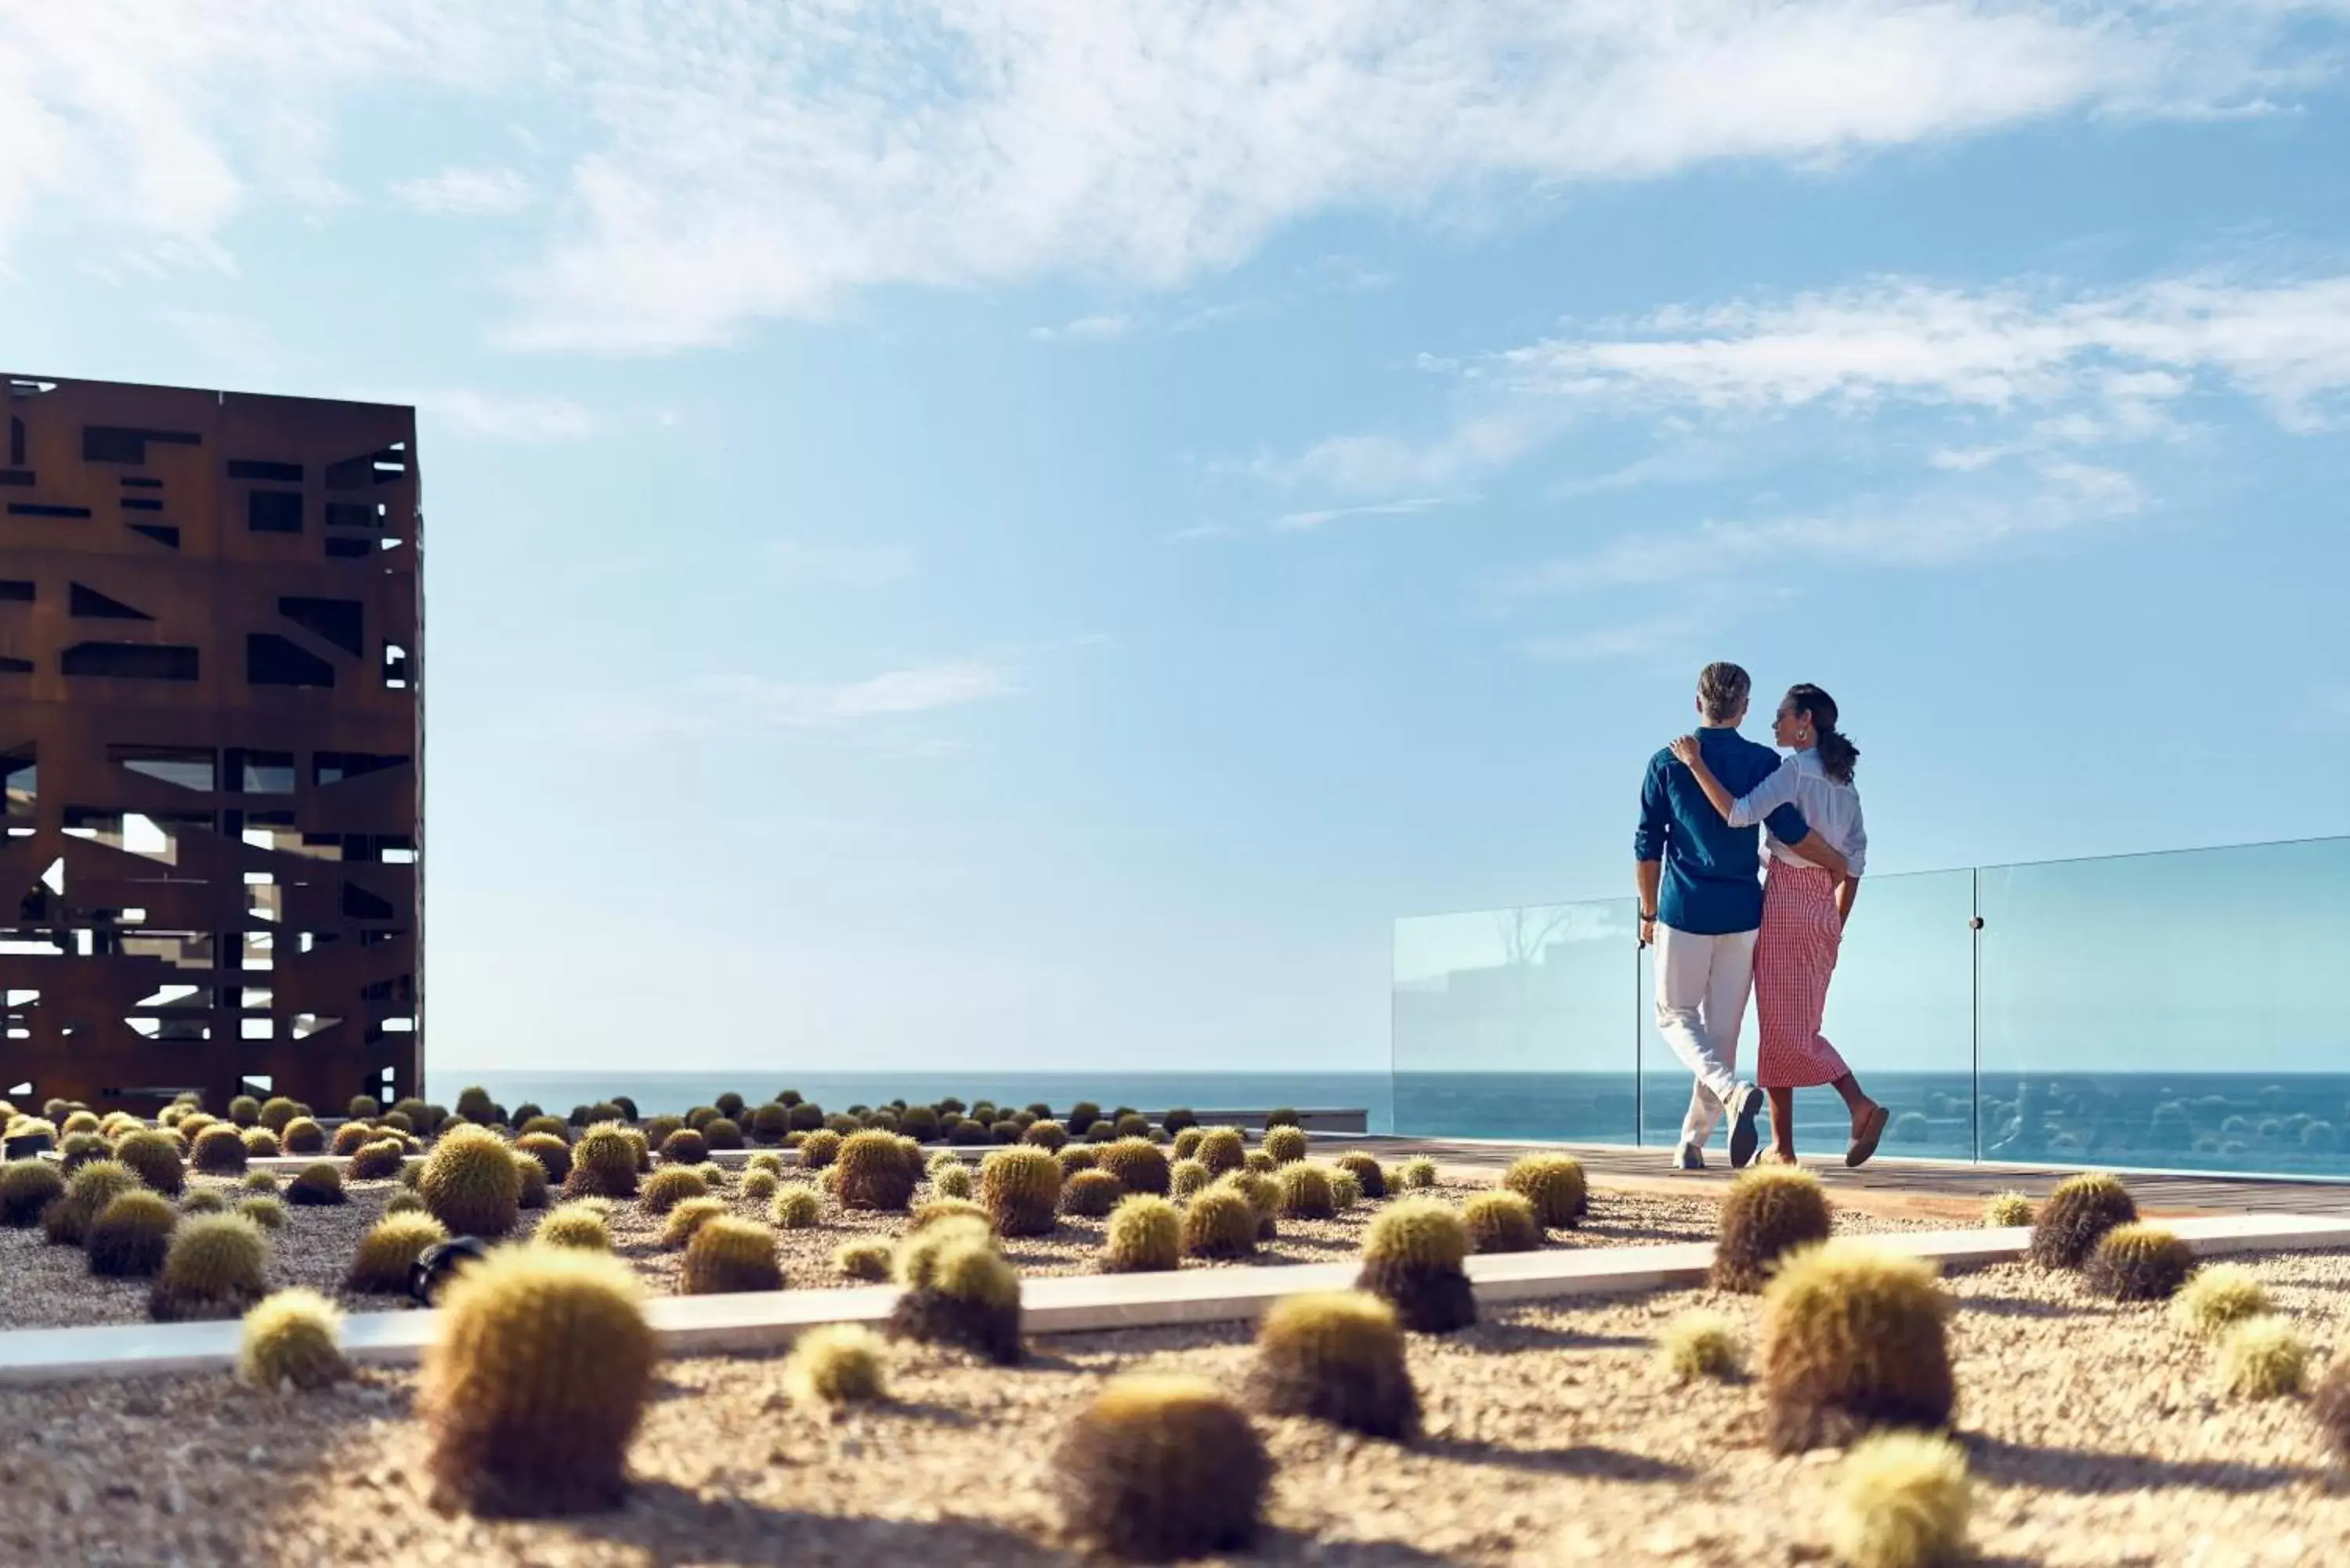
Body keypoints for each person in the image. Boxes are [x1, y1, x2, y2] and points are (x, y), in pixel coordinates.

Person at [1636, 663, 1850, 1172]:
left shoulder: (1667, 762)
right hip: (1743, 915)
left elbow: (1648, 846)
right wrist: (1837, 863)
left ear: (1697, 703)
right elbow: (1791, 828)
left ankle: (1732, 1095)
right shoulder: (1761, 761)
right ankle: (1692, 1142)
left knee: (1674, 1016)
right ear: (1745, 708)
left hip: (1684, 911)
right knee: (1723, 1036)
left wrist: (1647, 912)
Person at [1669, 682, 1886, 1167]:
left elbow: (1738, 813)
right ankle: (1783, 1147)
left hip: (1786, 899)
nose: (1774, 724)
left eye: (1782, 716)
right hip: (1824, 909)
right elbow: (1854, 866)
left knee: (1784, 1028)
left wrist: (1695, 763)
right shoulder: (1846, 788)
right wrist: (1836, 920)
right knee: (1796, 1023)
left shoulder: (1792, 773)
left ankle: (1857, 1104)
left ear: (1804, 720)